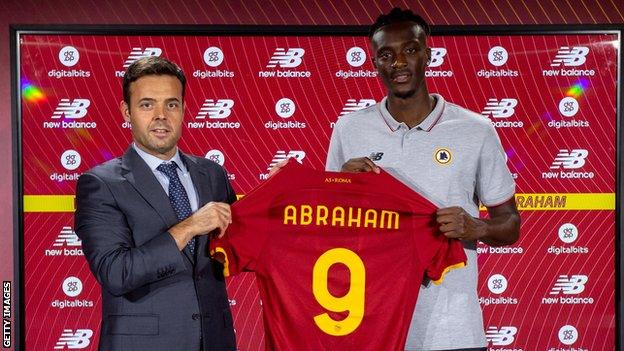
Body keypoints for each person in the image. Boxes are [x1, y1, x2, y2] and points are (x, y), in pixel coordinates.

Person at [325, 8, 521, 351]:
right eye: (386, 54)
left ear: (428, 55)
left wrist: (477, 227)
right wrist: (341, 188)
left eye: (410, 50)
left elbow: (511, 224)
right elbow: (329, 229)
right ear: (374, 64)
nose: (399, 63)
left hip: (454, 330)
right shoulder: (349, 130)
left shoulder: (475, 130)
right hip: (372, 326)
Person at [75, 56, 236, 351]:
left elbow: (242, 238)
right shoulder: (100, 184)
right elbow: (116, 272)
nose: (161, 115)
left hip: (215, 341)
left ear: (184, 110)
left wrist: (279, 189)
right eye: (147, 104)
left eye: (171, 104)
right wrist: (188, 228)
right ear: (127, 111)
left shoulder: (212, 174)